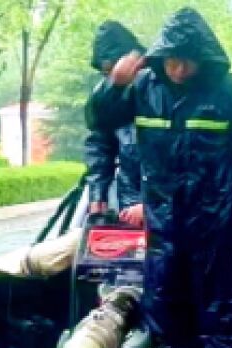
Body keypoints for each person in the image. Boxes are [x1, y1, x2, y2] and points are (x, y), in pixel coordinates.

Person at [86, 7, 232, 348]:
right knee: (166, 303)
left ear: (202, 59)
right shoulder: (143, 86)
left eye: (186, 60)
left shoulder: (227, 91)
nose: (179, 69)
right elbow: (99, 123)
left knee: (218, 306)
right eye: (171, 60)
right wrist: (112, 85)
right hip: (164, 218)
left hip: (214, 217)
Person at [86, 21, 146, 228]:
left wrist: (151, 205)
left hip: (169, 208)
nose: (114, 77)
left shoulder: (162, 88)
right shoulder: (105, 96)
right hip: (129, 205)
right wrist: (97, 194)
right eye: (107, 73)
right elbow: (100, 146)